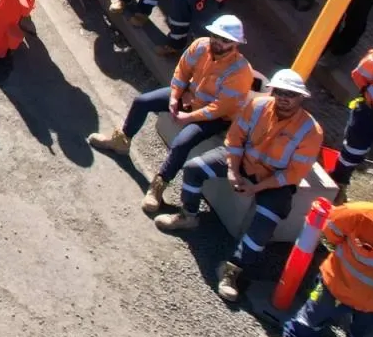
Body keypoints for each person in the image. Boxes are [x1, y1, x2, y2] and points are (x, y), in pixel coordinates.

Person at [154, 69, 324, 305]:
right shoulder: (256, 106)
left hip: (274, 181)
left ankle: (233, 269)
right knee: (194, 169)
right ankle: (188, 215)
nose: (284, 98)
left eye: (291, 94)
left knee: (266, 221)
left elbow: (294, 173)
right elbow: (234, 139)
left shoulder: (311, 131)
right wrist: (233, 170)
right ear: (272, 91)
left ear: (301, 98)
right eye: (280, 92)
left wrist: (257, 187)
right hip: (241, 162)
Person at [88, 15, 253, 215]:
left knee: (183, 142)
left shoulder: (241, 71)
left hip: (214, 117)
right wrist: (175, 96)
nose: (218, 42)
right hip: (189, 97)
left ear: (236, 44)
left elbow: (219, 108)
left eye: (225, 40)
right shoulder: (201, 46)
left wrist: (188, 118)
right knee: (142, 102)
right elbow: (182, 71)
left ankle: (159, 184)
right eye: (216, 36)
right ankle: (122, 140)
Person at [272, 198, 373, 337]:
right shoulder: (358, 214)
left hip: (371, 306)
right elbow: (331, 228)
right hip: (333, 285)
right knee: (310, 317)